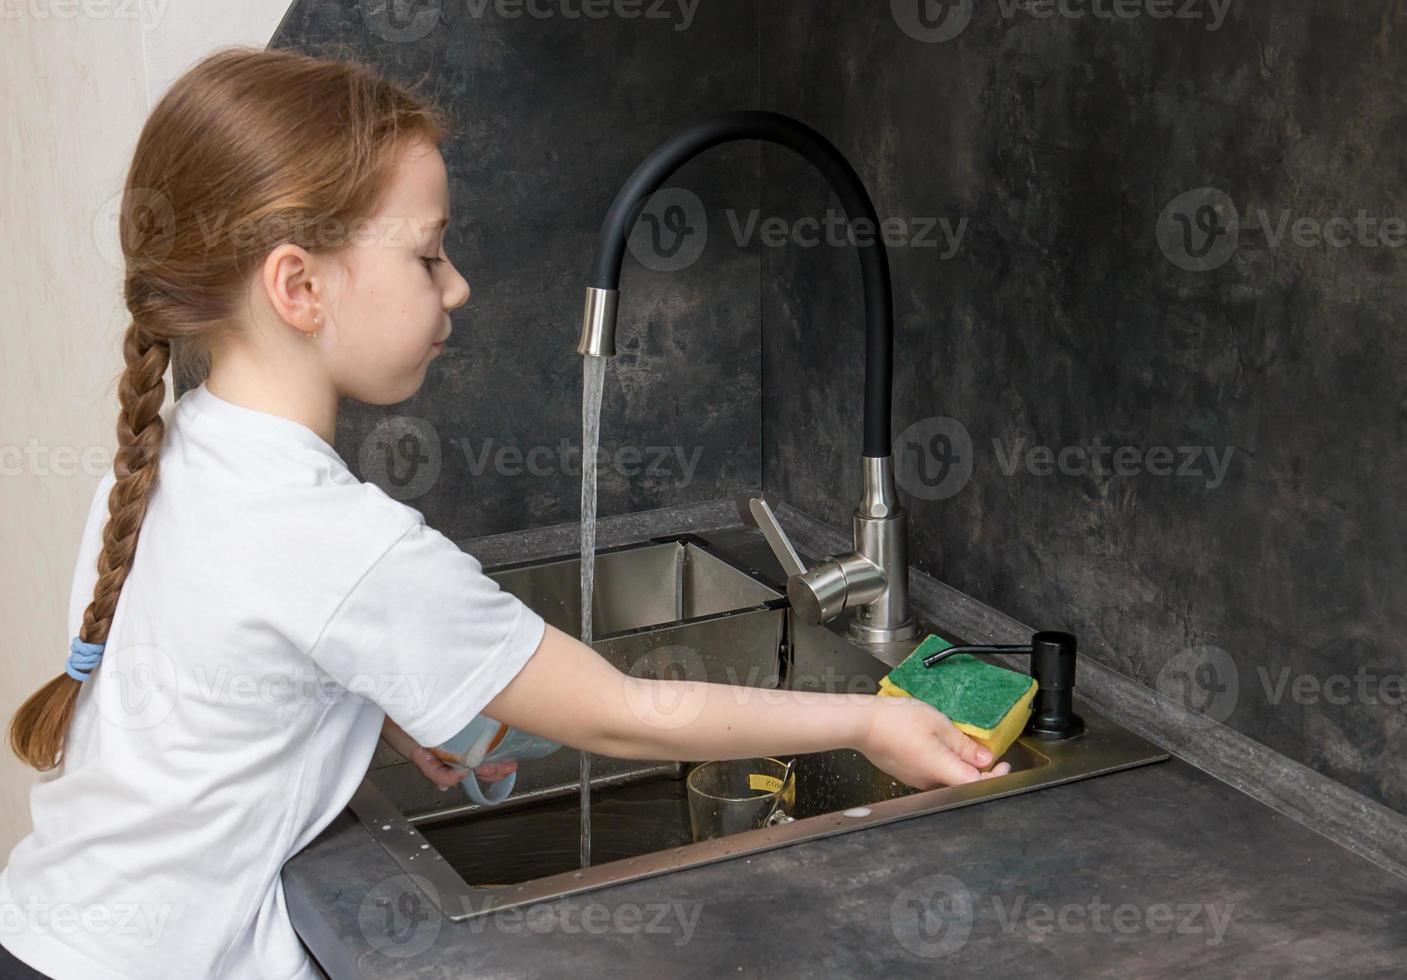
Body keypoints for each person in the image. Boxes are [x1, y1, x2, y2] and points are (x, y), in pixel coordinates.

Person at [0, 45, 1009, 980]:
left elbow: (215, 676)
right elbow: (625, 712)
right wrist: (875, 721)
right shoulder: (348, 542)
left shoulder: (171, 460)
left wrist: (379, 696)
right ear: (299, 285)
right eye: (428, 256)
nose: (460, 286)